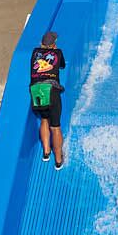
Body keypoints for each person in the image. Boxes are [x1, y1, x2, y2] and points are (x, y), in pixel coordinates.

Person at [29, 29, 67, 168]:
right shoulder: (57, 53)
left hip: (36, 91)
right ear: (54, 44)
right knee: (55, 127)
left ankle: (46, 152)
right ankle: (58, 160)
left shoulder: (34, 53)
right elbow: (61, 65)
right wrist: (55, 51)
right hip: (51, 91)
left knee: (44, 119)